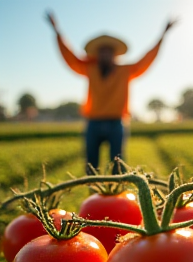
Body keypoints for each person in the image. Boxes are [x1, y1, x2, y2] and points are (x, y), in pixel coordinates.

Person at [46, 12, 175, 171]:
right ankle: (93, 193)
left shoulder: (125, 70)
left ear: (114, 54)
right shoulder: (89, 68)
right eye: (102, 51)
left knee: (118, 164)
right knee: (91, 165)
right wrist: (57, 31)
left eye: (108, 52)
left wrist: (162, 35)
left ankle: (117, 193)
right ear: (97, 54)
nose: (105, 55)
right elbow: (70, 57)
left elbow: (146, 59)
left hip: (116, 122)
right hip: (93, 122)